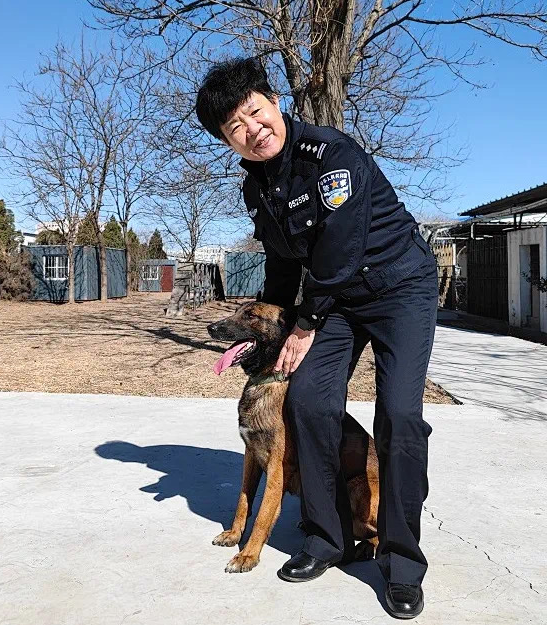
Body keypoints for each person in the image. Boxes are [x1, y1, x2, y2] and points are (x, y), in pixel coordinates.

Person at [196, 57, 438, 620]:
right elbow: (283, 267)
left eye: (255, 113)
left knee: (399, 416)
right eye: (236, 128)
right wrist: (279, 323)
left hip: (399, 287)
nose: (253, 130)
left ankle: (401, 563)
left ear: (273, 101)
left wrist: (305, 323)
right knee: (306, 403)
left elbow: (340, 252)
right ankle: (326, 538)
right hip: (338, 301)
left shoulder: (332, 156)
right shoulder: (257, 189)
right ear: (227, 141)